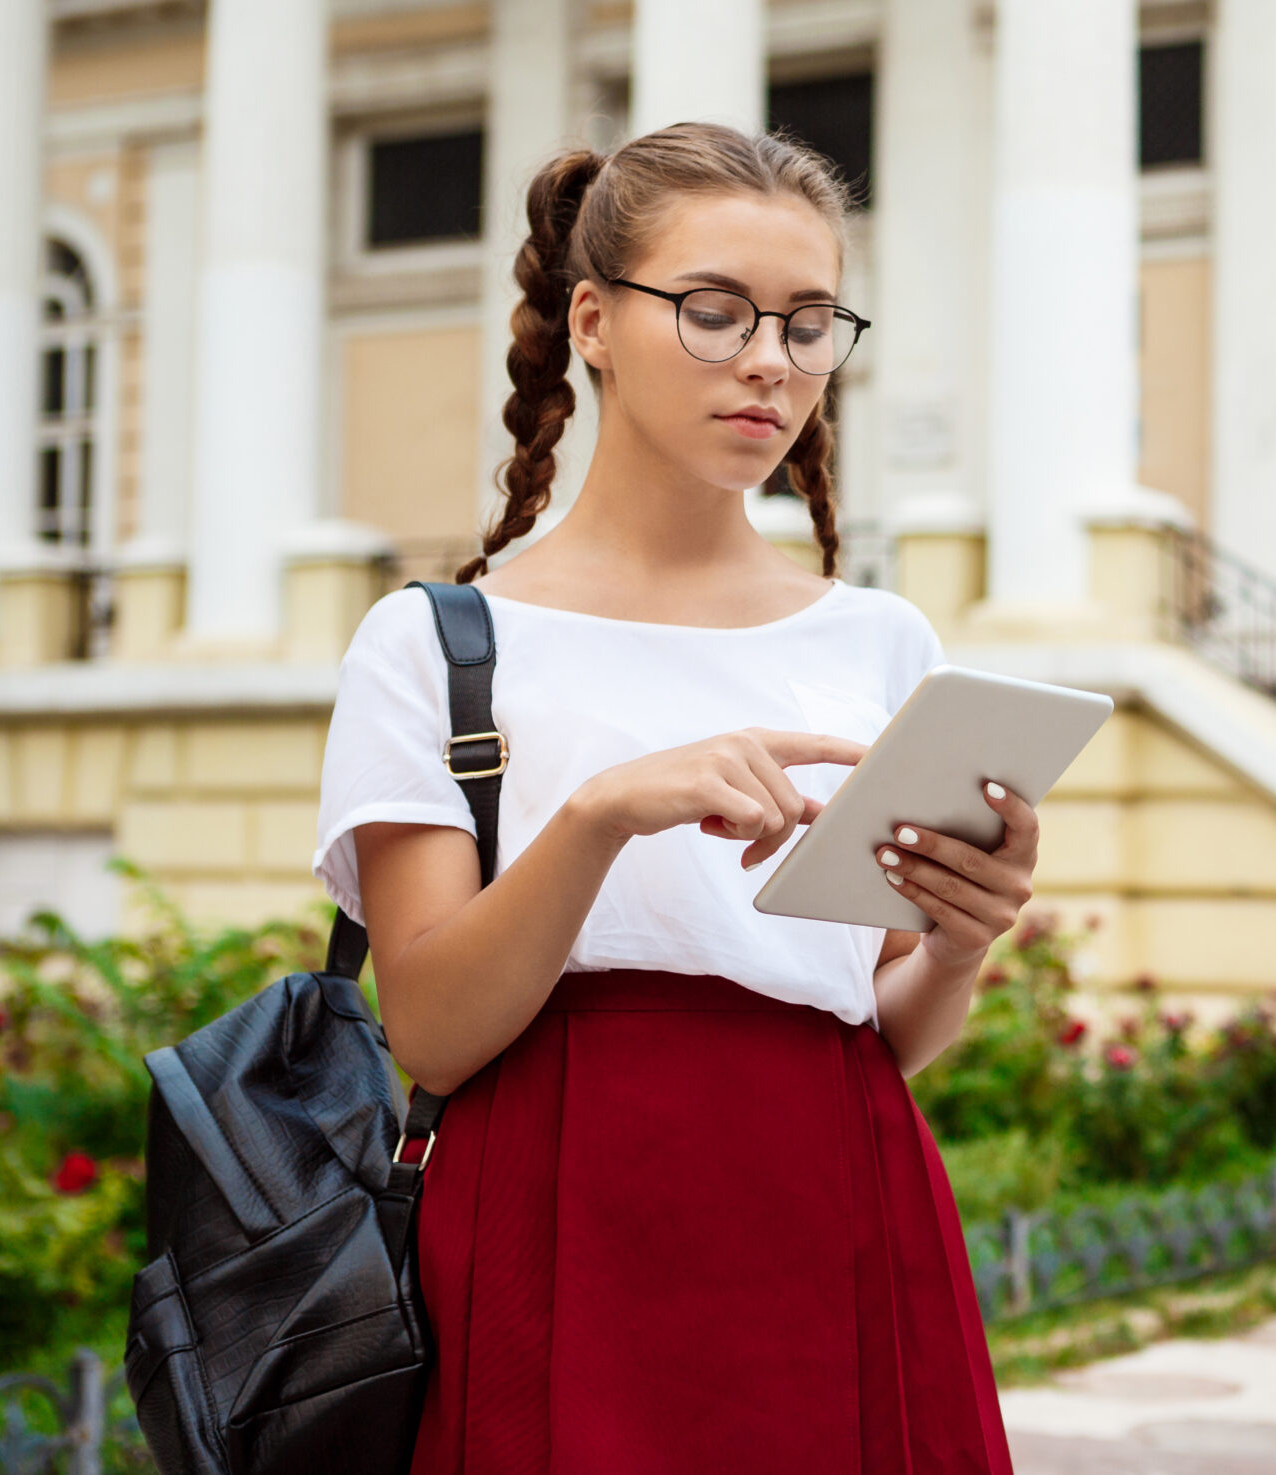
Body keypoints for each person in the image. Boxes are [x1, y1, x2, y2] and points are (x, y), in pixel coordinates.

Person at [311, 123, 1023, 1473]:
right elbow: (435, 1036)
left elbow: (885, 1030)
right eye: (713, 312)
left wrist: (964, 937)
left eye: (810, 324)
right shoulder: (442, 643)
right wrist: (601, 813)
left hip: (839, 1190)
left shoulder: (880, 645)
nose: (769, 359)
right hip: (554, 1207)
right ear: (594, 321)